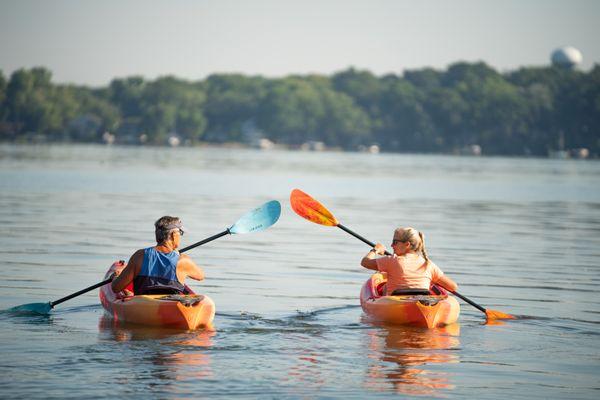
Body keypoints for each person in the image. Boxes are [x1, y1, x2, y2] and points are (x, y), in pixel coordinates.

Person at [111, 216, 205, 295]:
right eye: (180, 233)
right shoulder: (183, 260)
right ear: (173, 235)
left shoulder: (139, 256)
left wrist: (115, 277)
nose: (180, 236)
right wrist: (176, 255)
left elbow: (116, 288)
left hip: (144, 306)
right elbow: (201, 276)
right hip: (172, 306)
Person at [361, 227, 457, 295]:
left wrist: (375, 250)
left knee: (384, 288)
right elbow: (453, 287)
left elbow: (365, 262)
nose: (391, 245)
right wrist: (432, 279)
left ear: (407, 244)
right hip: (421, 302)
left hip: (395, 306)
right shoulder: (428, 264)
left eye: (395, 242)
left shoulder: (392, 261)